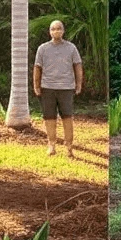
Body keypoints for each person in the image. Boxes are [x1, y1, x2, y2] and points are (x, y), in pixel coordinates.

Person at [33, 19, 83, 157]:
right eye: (53, 29)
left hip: (66, 88)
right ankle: (51, 144)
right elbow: (37, 68)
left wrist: (78, 84)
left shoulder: (71, 48)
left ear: (63, 31)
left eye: (59, 28)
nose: (56, 31)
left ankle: (69, 147)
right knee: (49, 118)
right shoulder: (42, 49)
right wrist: (36, 85)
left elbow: (78, 66)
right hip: (47, 88)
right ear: (49, 32)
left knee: (67, 117)